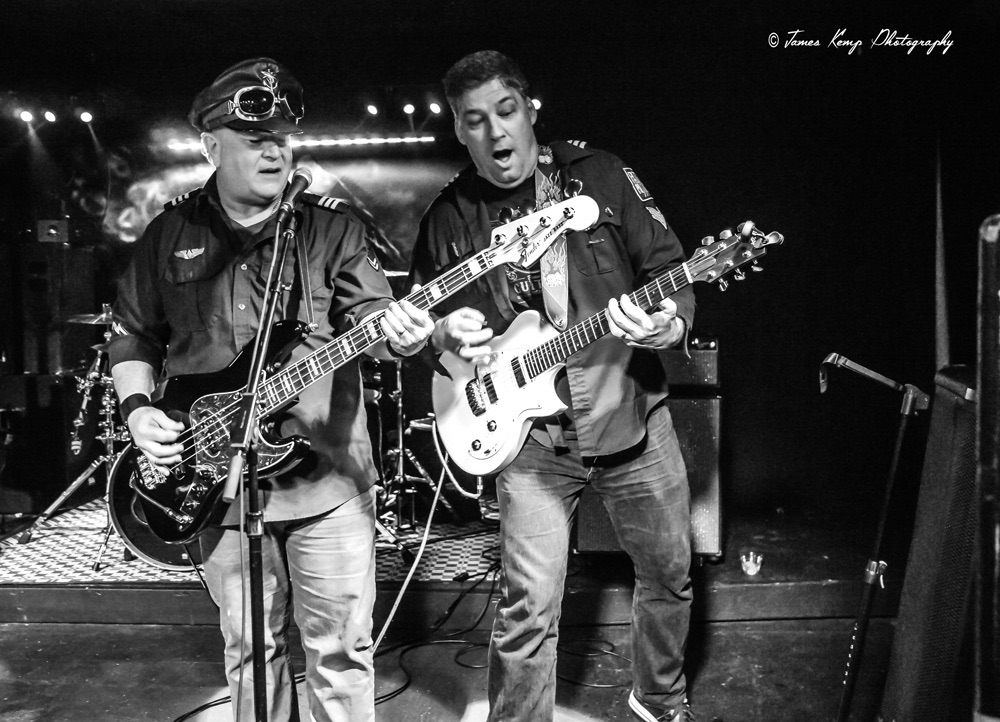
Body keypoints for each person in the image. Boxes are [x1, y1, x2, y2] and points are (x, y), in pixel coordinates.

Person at [107, 58, 434, 722]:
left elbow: (373, 322)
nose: (274, 151)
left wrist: (400, 335)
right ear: (211, 145)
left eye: (283, 138)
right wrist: (138, 410)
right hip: (219, 483)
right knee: (250, 653)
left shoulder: (332, 228)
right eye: (255, 138)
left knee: (340, 655)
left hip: (329, 482)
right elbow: (134, 336)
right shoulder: (169, 234)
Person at [408, 50, 697, 722]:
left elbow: (669, 267)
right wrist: (440, 335)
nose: (495, 132)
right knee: (528, 608)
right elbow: (418, 325)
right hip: (530, 439)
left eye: (505, 111)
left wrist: (667, 323)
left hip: (630, 415)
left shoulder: (599, 176)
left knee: (668, 575)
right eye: (474, 120)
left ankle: (659, 700)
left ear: (530, 110)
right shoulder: (449, 216)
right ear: (459, 130)